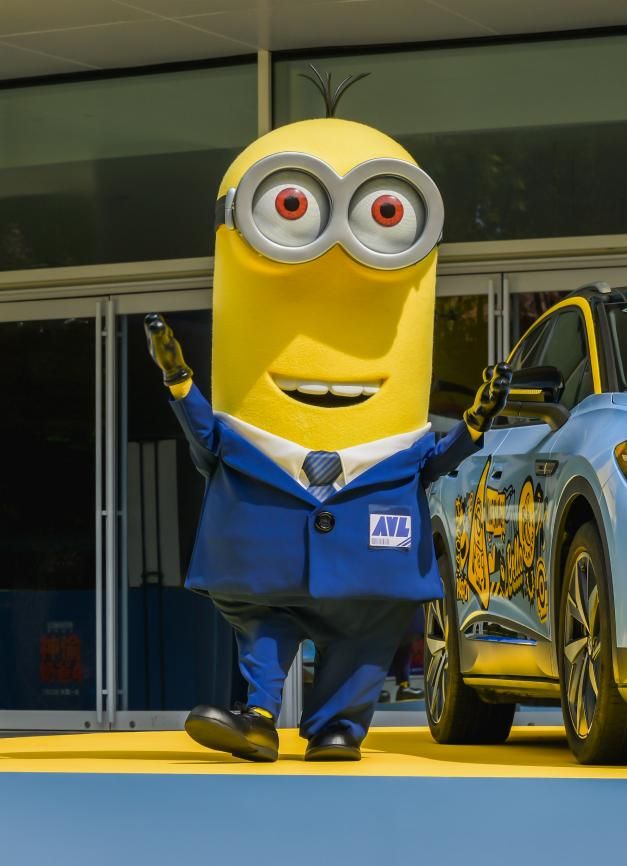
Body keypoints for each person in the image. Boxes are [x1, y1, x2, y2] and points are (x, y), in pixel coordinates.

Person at [142, 92, 511, 762]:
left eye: (386, 214)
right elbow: (206, 438)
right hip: (269, 562)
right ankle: (257, 715)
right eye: (291, 207)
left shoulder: (400, 452)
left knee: (365, 639)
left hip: (372, 563)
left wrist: (476, 423)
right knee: (265, 626)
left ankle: (339, 725)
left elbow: (437, 460)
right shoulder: (244, 445)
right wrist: (180, 379)